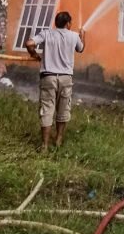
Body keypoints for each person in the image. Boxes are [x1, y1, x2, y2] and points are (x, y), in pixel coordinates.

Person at [25, 11, 85, 151]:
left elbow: (29, 43)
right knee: (63, 109)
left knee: (46, 110)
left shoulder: (46, 33)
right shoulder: (74, 36)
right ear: (68, 24)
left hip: (48, 77)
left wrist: (34, 55)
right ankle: (58, 140)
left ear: (56, 23)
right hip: (65, 78)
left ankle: (44, 145)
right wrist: (83, 37)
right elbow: (81, 49)